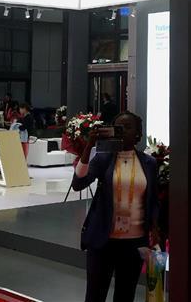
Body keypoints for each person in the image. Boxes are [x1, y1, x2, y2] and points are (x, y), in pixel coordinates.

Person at [72, 111, 158, 302]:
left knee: (125, 296)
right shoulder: (104, 159)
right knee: (95, 296)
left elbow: (152, 200)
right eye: (118, 127)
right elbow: (78, 184)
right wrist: (89, 146)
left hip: (134, 243)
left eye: (128, 127)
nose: (123, 131)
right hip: (103, 240)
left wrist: (155, 227)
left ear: (138, 133)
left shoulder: (149, 163)